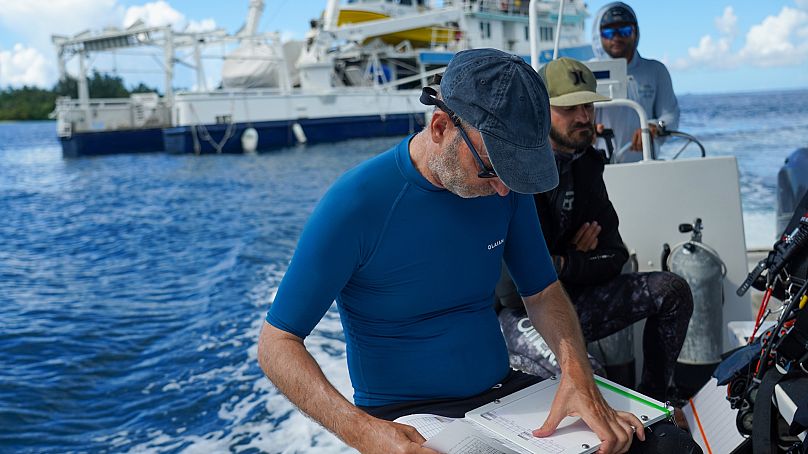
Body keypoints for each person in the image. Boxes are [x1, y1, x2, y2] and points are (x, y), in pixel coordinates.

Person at [258, 48, 647, 454]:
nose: (502, 189)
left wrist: (576, 374)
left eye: (515, 173)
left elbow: (543, 292)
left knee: (649, 443)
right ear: (441, 127)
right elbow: (277, 342)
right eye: (492, 168)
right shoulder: (355, 204)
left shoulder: (507, 188)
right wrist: (364, 432)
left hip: (503, 400)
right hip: (406, 416)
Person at [501, 57, 693, 405]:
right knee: (594, 381)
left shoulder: (586, 165)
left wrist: (563, 263)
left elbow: (615, 254)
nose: (584, 118)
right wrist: (575, 259)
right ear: (541, 111)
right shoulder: (515, 174)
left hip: (573, 300)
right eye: (570, 108)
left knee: (673, 290)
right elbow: (515, 291)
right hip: (520, 317)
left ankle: (655, 404)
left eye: (588, 106)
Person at [592, 2, 680, 161]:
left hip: (644, 165)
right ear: (599, 35)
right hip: (596, 168)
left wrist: (653, 127)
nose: (616, 37)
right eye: (609, 32)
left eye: (624, 30)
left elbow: (671, 116)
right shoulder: (586, 71)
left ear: (636, 32)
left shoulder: (656, 70)